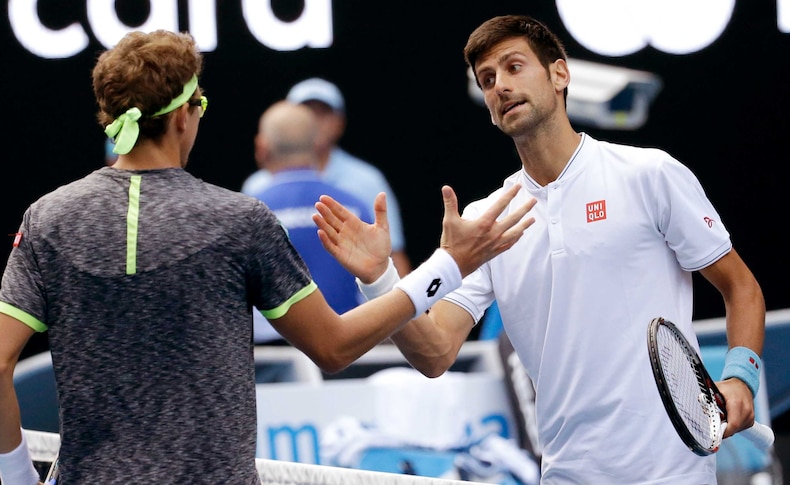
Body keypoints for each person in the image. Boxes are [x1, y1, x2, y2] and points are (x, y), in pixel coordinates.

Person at [0, 29, 537, 484]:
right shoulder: (237, 222)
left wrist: (18, 481)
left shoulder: (47, 218)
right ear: (187, 112)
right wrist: (447, 266)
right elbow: (334, 347)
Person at [312, 14, 766, 484]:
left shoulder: (649, 174)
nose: (500, 87)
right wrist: (379, 276)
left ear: (560, 74)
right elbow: (435, 353)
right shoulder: (485, 221)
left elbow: (740, 287)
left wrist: (740, 376)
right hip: (567, 473)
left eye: (513, 67)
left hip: (674, 471)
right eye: (487, 80)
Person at [241, 77, 413, 277]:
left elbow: (393, 254)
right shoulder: (256, 186)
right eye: (306, 111)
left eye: (324, 113)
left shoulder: (368, 180)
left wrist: (403, 307)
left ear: (340, 123)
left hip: (356, 305)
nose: (314, 119)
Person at [251, 100, 372, 345]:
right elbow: (379, 295)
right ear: (317, 145)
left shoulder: (247, 215)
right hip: (352, 357)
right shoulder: (354, 208)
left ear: (261, 148)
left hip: (275, 367)